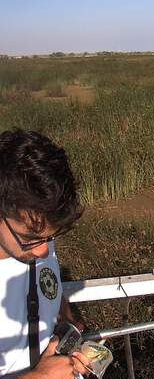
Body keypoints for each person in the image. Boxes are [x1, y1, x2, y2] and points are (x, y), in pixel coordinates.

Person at [0, 129, 89, 378]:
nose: (42, 251)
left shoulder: (39, 235)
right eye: (30, 239)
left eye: (49, 238)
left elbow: (50, 287)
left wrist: (67, 325)